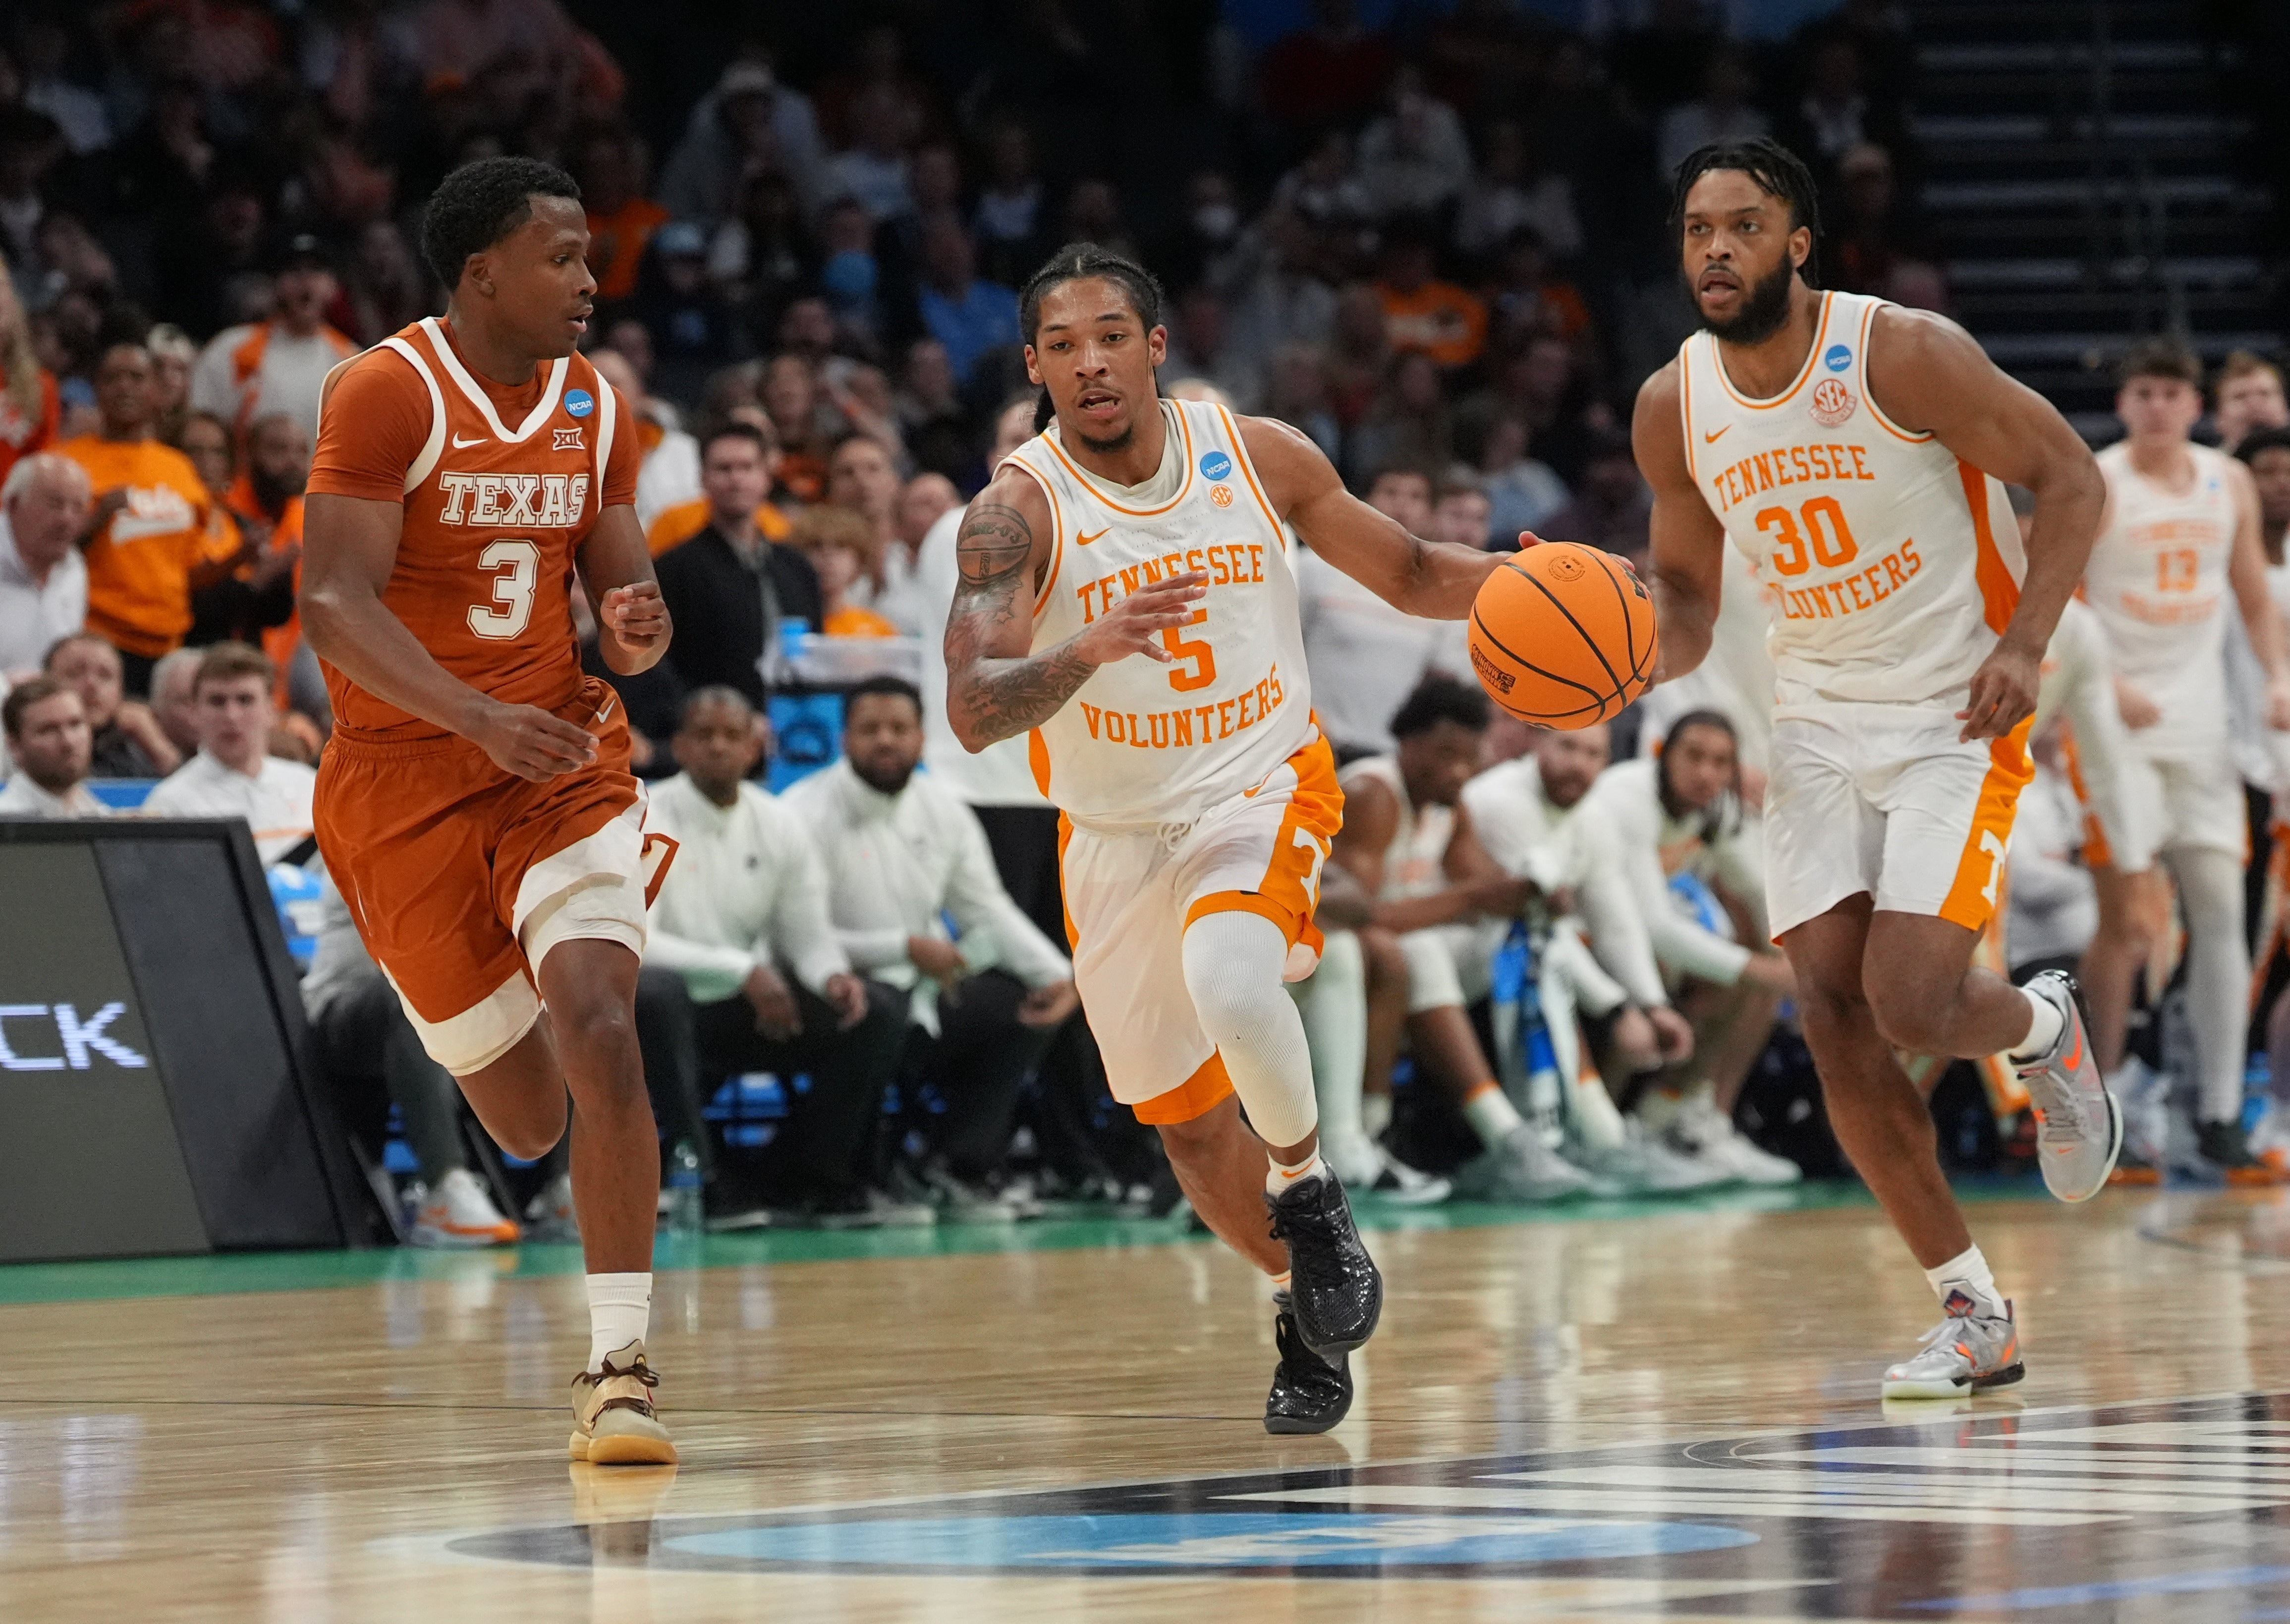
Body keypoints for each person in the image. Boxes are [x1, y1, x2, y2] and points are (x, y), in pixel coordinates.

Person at [941, 244, 1510, 1432]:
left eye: (1111, 335)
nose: (1089, 361)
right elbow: (973, 702)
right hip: (1110, 831)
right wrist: (1081, 651)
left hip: (1262, 783)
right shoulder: (1014, 512)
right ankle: (1304, 1305)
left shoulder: (1259, 456)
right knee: (1194, 1139)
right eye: (1062, 344)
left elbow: (1408, 571)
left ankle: (1311, 1197)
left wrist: (1540, 576)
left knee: (1231, 968)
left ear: (1156, 349)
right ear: (1035, 367)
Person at [1637, 137, 2116, 1401]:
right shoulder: (1671, 403)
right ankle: (1972, 1310)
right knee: (1833, 1016)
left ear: (1799, 244)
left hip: (1957, 705)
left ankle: (2044, 1028)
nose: (1717, 249)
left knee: (1911, 1000)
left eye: (1743, 226)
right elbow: (1686, 595)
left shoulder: (1900, 350)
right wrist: (1631, 649)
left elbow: (2069, 478)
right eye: (1697, 230)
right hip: (1810, 719)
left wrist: (2028, 641)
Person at [298, 156, 680, 1465]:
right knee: (525, 1114)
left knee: (603, 1023)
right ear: (481, 274)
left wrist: (635, 625)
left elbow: (627, 606)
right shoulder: (384, 391)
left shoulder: (595, 402)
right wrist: (469, 716)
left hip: (560, 755)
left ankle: (617, 1368)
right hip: (404, 782)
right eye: (563, 257)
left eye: (588, 257)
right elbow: (333, 605)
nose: (590, 279)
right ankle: (534, 950)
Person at [2082, 340, 2290, 1181]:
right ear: (2125, 404)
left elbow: (2250, 589)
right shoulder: (2097, 479)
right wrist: (2110, 678)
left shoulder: (2225, 480)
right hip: (2118, 729)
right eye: (2144, 391)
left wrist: (2277, 674)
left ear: (2195, 406)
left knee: (2220, 920)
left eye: (2173, 392)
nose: (2159, 406)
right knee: (2129, 925)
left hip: (2205, 734)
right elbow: (2058, 592)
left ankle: (2213, 1110)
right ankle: (2105, 1102)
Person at [786, 677, 1080, 1214]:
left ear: (922, 738)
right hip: (833, 994)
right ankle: (831, 1180)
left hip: (923, 991)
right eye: (870, 729)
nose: (885, 740)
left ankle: (955, 1164)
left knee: (1026, 1005)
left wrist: (1058, 976)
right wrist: (900, 946)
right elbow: (796, 939)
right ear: (844, 738)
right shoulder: (801, 813)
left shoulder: (943, 810)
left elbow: (986, 907)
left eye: (899, 728)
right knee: (880, 1007)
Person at [639, 687, 912, 1223]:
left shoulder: (778, 822)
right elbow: (638, 939)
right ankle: (706, 1180)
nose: (719, 746)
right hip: (668, 1007)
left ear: (755, 747)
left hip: (749, 1005)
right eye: (705, 735)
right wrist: (744, 969)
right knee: (661, 994)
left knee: (874, 1008)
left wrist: (832, 975)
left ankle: (810, 1175)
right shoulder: (644, 814)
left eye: (732, 735)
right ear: (681, 747)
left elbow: (806, 935)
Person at [1580, 709, 1804, 1183]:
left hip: (1630, 939)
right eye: (1694, 757)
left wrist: (1803, 960)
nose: (1706, 773)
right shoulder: (1628, 799)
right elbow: (1652, 926)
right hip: (1584, 934)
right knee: (1715, 980)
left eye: (1720, 763)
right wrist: (1764, 970)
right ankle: (1598, 1140)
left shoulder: (1713, 809)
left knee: (1749, 978)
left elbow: (1758, 888)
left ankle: (1667, 1126)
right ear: (1662, 755)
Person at [301, 872, 524, 1247]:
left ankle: (566, 1186)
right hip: (345, 1007)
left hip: (450, 1000)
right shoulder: (364, 827)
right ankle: (445, 1187)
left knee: (549, 994)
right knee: (416, 997)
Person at [57, 341, 220, 692]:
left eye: (136, 377)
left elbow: (193, 569)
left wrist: (244, 557)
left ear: (157, 391)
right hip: (96, 639)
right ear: (96, 389)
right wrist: (97, 517)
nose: (125, 387)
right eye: (112, 378)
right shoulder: (67, 463)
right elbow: (37, 551)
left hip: (170, 640)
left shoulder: (179, 468)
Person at [1296, 462, 1472, 759]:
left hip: (1389, 756)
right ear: (1361, 502)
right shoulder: (1314, 566)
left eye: (1416, 497)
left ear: (1431, 515)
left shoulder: (1441, 592)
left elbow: (1449, 679)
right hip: (1310, 744)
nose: (1402, 505)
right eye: (1390, 491)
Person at [652, 421, 820, 711]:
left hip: (795, 724)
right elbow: (663, 666)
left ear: (766, 477)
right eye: (724, 469)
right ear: (703, 478)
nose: (736, 479)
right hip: (713, 731)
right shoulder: (673, 570)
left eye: (747, 467)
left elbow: (817, 651)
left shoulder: (797, 567)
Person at [141, 641, 317, 862]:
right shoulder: (170, 805)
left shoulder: (310, 786)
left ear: (271, 711)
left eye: (245, 700)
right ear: (195, 711)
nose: (232, 716)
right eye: (217, 702)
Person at [188, 234, 359, 439]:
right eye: (294, 271)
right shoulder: (230, 349)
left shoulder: (352, 362)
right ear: (276, 284)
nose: (305, 282)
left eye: (316, 271)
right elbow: (199, 427)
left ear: (334, 287)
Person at [0, 452, 90, 675]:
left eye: (78, 508)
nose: (67, 520)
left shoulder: (74, 569)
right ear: (13, 504)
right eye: (55, 504)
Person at [43, 631, 177, 777]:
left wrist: (155, 743)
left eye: (105, 675)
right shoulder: (29, 743)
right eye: (75, 673)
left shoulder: (139, 743)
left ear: (121, 690)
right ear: (45, 683)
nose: (91, 685)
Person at [0, 675, 104, 815]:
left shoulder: (98, 812)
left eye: (76, 724)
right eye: (49, 730)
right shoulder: (7, 819)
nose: (68, 742)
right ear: (15, 746)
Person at [790, 505, 897, 638]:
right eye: (817, 546)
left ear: (859, 561)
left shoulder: (878, 630)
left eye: (840, 546)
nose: (828, 557)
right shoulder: (787, 625)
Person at [2212, 352, 2289, 457]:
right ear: (2219, 417)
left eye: (2264, 394)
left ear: (2285, 408)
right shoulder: (2202, 469)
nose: (2255, 404)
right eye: (2240, 396)